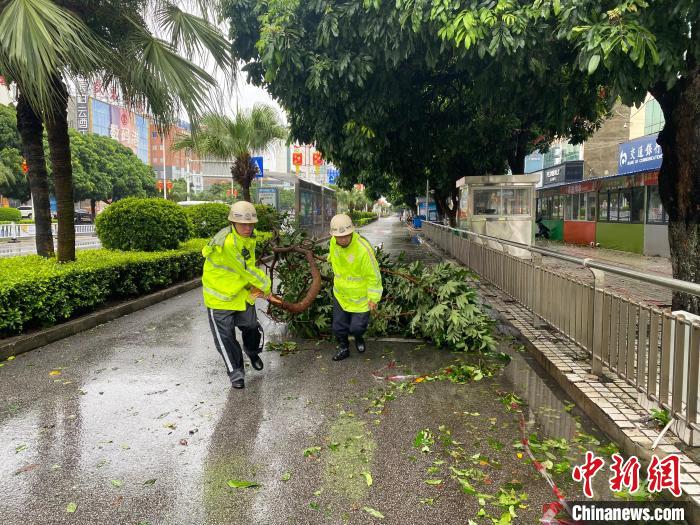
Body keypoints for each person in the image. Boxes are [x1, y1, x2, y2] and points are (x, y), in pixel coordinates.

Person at [201, 201, 272, 388]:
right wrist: (267, 289)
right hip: (219, 297)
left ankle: (251, 350)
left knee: (250, 326)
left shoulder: (248, 238)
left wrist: (256, 288)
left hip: (240, 292)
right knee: (226, 338)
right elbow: (247, 270)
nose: (248, 228)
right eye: (244, 224)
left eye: (251, 224)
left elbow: (246, 268)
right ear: (233, 222)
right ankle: (236, 373)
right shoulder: (228, 241)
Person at [327, 213, 383, 361]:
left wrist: (374, 298)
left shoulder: (363, 250)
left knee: (357, 328)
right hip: (341, 294)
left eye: (346, 235)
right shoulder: (333, 242)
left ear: (352, 231)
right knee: (338, 327)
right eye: (339, 236)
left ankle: (358, 337)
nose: (343, 239)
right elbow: (333, 256)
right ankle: (344, 348)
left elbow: (374, 276)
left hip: (360, 298)